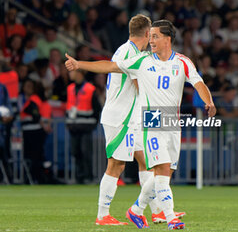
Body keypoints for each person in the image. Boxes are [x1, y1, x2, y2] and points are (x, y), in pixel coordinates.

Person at [65, 19, 216, 230]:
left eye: (156, 36)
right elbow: (115, 69)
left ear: (167, 38)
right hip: (126, 117)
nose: (152, 40)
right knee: (119, 164)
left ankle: (150, 210)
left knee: (150, 165)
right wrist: (80, 64)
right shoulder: (137, 58)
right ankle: (106, 214)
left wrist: (208, 101)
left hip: (147, 117)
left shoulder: (178, 61)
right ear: (145, 34)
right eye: (151, 35)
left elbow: (198, 82)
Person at [66, 69, 101, 184]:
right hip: (74, 126)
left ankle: (88, 176)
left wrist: (93, 124)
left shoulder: (90, 89)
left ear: (80, 73)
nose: (70, 74)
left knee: (86, 152)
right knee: (75, 152)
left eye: (72, 72)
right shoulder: (70, 88)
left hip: (86, 126)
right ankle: (79, 177)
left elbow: (97, 109)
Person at [0, 83, 13, 183]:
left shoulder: (3, 87)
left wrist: (9, 115)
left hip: (2, 128)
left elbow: (7, 105)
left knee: (4, 151)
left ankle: (8, 178)